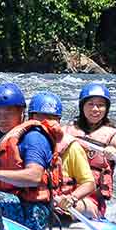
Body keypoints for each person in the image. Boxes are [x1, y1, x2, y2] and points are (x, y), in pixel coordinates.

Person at [0, 82, 61, 230]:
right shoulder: (1, 140)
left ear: (22, 113)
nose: (2, 118)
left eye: (9, 112)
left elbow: (34, 176)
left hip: (34, 210)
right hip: (14, 201)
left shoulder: (33, 137)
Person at [64, 82, 116, 217]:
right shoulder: (67, 130)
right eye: (90, 104)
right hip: (64, 190)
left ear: (106, 109)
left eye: (101, 105)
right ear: (82, 106)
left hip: (92, 200)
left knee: (64, 205)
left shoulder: (114, 137)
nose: (95, 109)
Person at [26, 92, 98, 220]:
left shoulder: (72, 147)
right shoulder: (24, 142)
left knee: (64, 206)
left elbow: (89, 183)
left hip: (67, 201)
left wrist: (72, 198)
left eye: (51, 118)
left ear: (59, 121)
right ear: (30, 119)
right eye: (41, 117)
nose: (46, 122)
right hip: (39, 200)